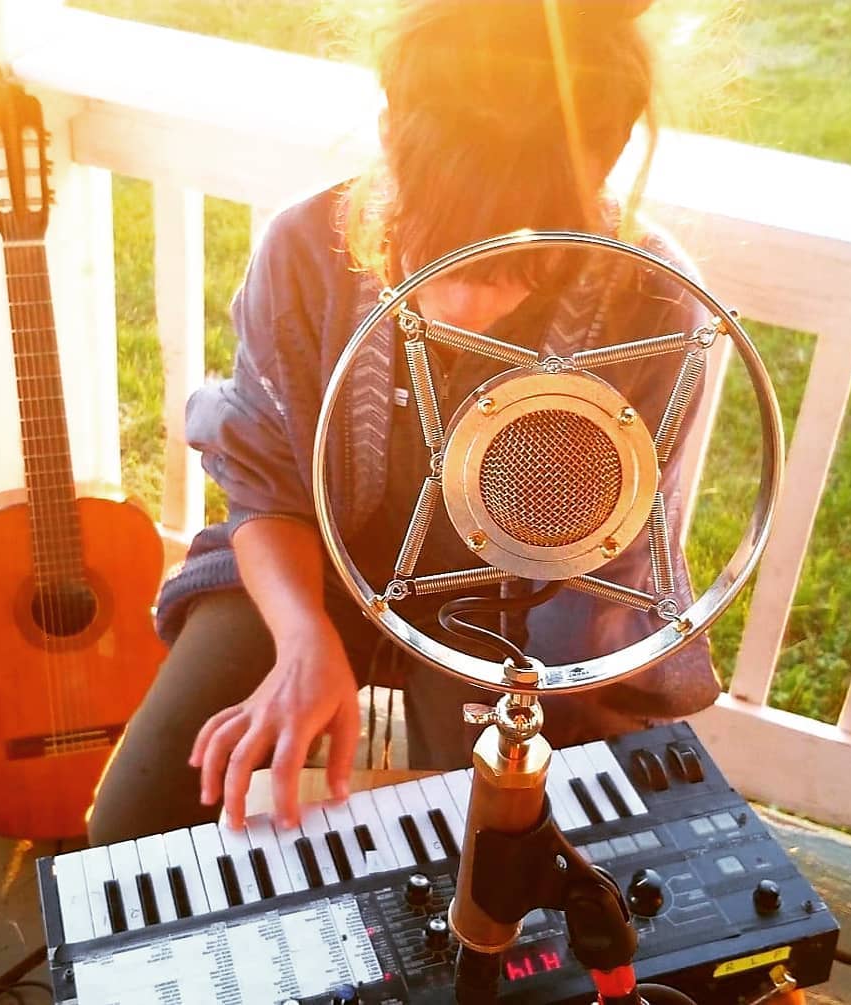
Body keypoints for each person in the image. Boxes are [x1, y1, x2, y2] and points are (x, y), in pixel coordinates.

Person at [86, 0, 720, 847]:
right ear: (390, 131)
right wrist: (303, 639)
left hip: (514, 631)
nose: (462, 300)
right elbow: (264, 488)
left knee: (447, 848)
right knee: (135, 822)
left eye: (513, 267)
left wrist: (471, 754)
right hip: (308, 574)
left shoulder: (653, 306)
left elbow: (595, 589)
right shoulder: (306, 249)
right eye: (436, 242)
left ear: (604, 161)